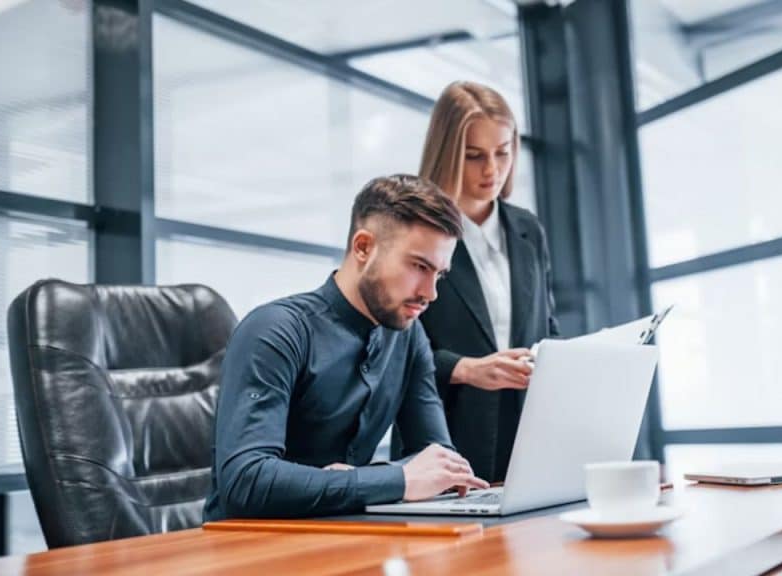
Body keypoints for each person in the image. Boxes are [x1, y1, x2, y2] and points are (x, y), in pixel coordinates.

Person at [204, 174, 489, 520]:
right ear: (364, 247)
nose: (431, 293)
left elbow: (438, 458)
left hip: (346, 538)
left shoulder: (408, 336)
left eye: (439, 274)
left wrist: (369, 479)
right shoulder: (274, 331)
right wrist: (393, 478)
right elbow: (246, 482)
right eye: (418, 266)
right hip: (249, 551)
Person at [412, 81, 560, 483]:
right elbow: (394, 345)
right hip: (449, 437)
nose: (491, 170)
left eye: (502, 152)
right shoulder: (413, 230)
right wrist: (465, 368)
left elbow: (547, 327)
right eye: (474, 155)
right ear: (447, 152)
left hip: (529, 436)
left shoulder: (529, 230)